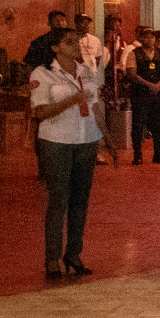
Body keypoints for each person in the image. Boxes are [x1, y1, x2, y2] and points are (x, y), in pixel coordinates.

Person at [29, 28, 102, 278]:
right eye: (68, 42)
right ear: (55, 48)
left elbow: (95, 107)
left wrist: (107, 137)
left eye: (77, 42)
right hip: (56, 141)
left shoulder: (87, 71)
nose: (76, 46)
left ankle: (74, 254)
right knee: (58, 200)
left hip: (86, 140)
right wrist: (71, 100)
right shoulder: (43, 74)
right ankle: (52, 259)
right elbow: (40, 112)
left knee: (80, 201)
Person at [124, 26, 160, 163]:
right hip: (140, 93)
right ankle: (138, 155)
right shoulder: (133, 53)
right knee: (138, 124)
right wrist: (148, 84)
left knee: (159, 124)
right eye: (146, 37)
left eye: (152, 37)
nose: (149, 39)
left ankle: (158, 154)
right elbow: (132, 74)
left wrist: (159, 84)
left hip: (158, 94)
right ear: (140, 38)